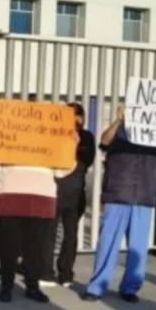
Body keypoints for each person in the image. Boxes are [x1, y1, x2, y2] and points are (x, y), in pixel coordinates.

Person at [83, 106, 156, 303]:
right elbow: (104, 141)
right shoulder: (119, 130)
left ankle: (130, 288)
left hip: (144, 196)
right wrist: (119, 121)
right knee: (108, 242)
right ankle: (97, 286)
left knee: (138, 246)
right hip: (118, 193)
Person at [0, 124, 76, 303]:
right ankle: (6, 286)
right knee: (9, 247)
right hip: (11, 197)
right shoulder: (8, 140)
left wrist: (71, 147)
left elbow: (62, 171)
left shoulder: (50, 145)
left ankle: (32, 286)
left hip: (40, 200)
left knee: (35, 248)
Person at [52, 102, 96, 286]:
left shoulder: (86, 136)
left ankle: (65, 272)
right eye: (72, 115)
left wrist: (76, 144)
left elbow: (88, 159)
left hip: (76, 193)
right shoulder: (55, 134)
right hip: (55, 190)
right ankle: (44, 269)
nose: (77, 119)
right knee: (49, 232)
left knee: (71, 235)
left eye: (79, 115)